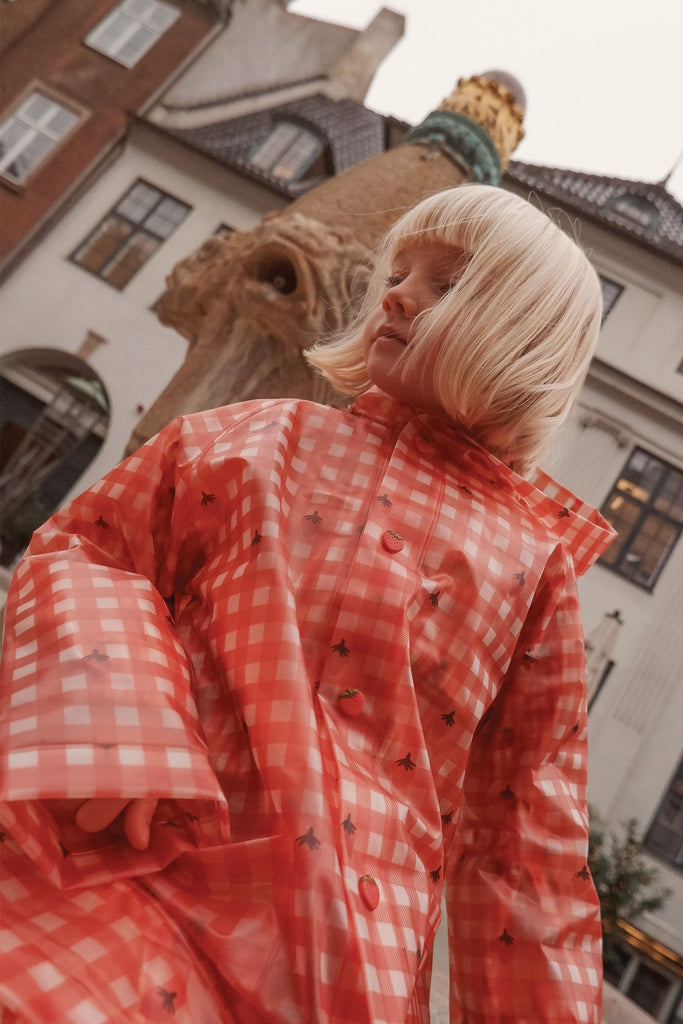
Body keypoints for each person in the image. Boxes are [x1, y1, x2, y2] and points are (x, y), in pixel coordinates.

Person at [0, 184, 615, 1024]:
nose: (397, 294)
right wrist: (118, 723)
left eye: (445, 283)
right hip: (148, 856)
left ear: (527, 341)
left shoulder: (536, 571)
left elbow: (528, 840)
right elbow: (92, 550)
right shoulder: (255, 438)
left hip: (341, 958)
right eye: (397, 274)